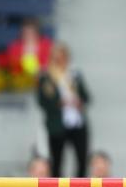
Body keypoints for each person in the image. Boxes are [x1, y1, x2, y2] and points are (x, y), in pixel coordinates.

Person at [37, 43, 90, 177]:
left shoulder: (75, 74)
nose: (61, 61)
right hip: (57, 124)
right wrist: (59, 103)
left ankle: (80, 186)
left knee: (82, 159)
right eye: (58, 58)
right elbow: (42, 101)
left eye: (64, 57)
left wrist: (79, 101)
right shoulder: (46, 76)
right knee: (57, 161)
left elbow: (86, 97)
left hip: (77, 123)